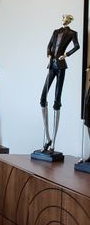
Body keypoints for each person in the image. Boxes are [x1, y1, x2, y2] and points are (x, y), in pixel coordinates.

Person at [39, 13, 80, 151]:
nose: (63, 20)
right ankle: (48, 137)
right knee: (42, 97)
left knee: (57, 99)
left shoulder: (72, 33)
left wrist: (66, 55)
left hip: (61, 67)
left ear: (68, 20)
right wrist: (49, 54)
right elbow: (49, 45)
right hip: (52, 65)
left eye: (65, 18)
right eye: (62, 18)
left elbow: (77, 46)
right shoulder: (56, 31)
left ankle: (54, 143)